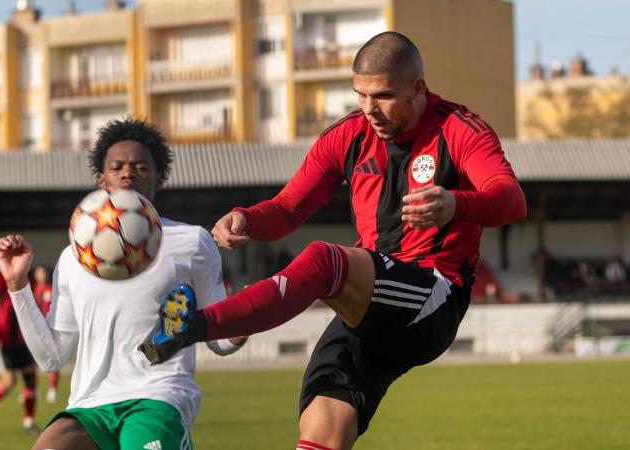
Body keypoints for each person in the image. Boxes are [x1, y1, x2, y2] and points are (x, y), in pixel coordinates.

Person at [140, 31, 527, 449]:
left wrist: (456, 204)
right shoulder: (348, 136)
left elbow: (511, 201)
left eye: (382, 96)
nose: (368, 109)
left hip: (434, 295)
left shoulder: (459, 129)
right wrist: (246, 219)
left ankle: (194, 325)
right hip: (373, 302)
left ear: (418, 88)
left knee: (325, 262)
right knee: (323, 423)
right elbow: (288, 208)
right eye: (359, 95)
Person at [0, 118, 248, 450]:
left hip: (158, 397)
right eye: (118, 167)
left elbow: (219, 339)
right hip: (89, 407)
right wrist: (17, 284)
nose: (128, 173)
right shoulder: (73, 257)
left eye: (141, 167)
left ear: (160, 178)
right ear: (102, 179)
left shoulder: (192, 242)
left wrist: (242, 323)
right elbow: (52, 358)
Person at [0, 273, 40, 435]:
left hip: (23, 339)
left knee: (31, 378)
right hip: (4, 341)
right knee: (9, 380)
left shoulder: (26, 281)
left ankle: (28, 422)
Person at [31, 264, 60, 403]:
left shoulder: (51, 289)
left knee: (53, 358)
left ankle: (53, 389)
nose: (41, 275)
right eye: (39, 272)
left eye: (43, 272)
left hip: (50, 327)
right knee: (34, 360)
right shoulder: (33, 290)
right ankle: (33, 388)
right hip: (37, 328)